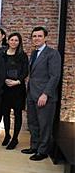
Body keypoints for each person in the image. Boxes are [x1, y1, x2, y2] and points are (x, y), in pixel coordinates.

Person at [21, 27, 61, 161]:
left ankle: (43, 151)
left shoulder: (52, 54)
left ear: (45, 38)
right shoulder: (33, 53)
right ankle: (34, 146)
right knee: (33, 123)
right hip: (31, 94)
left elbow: (55, 76)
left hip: (44, 96)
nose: (36, 38)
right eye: (34, 36)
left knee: (44, 124)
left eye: (39, 36)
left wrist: (45, 94)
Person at [1, 32, 29, 150]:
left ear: (19, 42)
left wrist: (17, 81)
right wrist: (4, 79)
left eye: (16, 40)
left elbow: (25, 71)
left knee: (17, 114)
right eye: (11, 40)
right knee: (5, 113)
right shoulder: (2, 55)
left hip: (18, 89)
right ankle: (7, 135)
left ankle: (15, 138)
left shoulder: (23, 55)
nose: (13, 42)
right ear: (8, 41)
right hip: (5, 88)